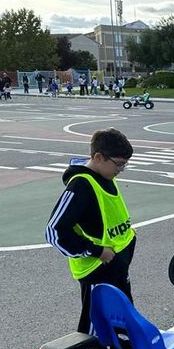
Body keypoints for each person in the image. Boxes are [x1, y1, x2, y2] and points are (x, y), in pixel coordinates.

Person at [44, 128, 136, 335]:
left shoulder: (105, 176)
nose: (121, 169)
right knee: (95, 327)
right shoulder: (81, 185)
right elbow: (54, 231)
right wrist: (96, 251)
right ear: (98, 157)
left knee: (123, 319)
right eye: (119, 164)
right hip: (97, 272)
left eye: (125, 164)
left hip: (116, 268)